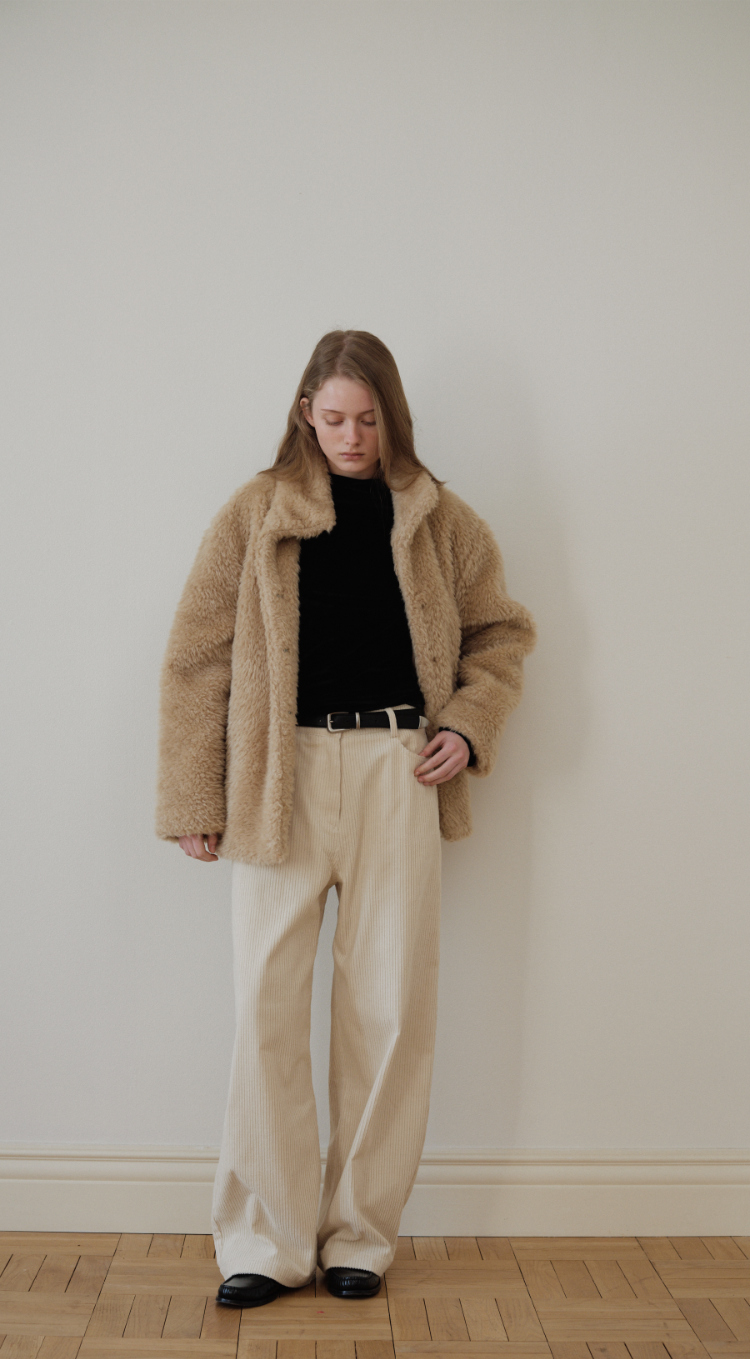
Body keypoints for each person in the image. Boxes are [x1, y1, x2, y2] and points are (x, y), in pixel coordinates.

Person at [156, 330, 535, 1308]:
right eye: (333, 418)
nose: (351, 436)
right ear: (304, 414)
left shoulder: (439, 518)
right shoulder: (256, 512)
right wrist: (194, 796)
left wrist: (468, 724)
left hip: (396, 770)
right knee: (266, 1007)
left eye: (368, 419)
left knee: (389, 1008)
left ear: (392, 416)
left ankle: (359, 1235)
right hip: (275, 776)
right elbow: (197, 655)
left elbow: (500, 633)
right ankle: (263, 1241)